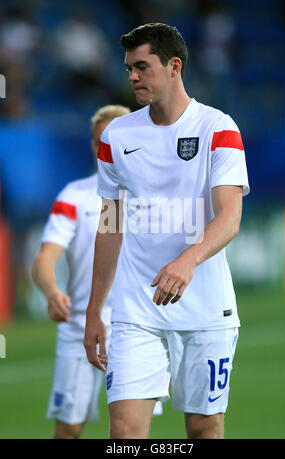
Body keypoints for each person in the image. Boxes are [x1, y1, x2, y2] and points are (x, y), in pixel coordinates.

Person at [84, 23, 249, 439]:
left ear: (174, 66)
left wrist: (186, 261)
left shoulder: (218, 128)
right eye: (128, 68)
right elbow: (110, 225)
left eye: (142, 66)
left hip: (206, 310)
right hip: (136, 311)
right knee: (124, 433)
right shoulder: (116, 136)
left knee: (204, 429)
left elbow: (229, 217)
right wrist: (94, 310)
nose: (132, 76)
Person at [32, 104, 162, 439]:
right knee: (69, 429)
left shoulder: (153, 195)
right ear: (92, 145)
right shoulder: (74, 196)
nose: (105, 145)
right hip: (80, 327)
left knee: (130, 429)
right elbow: (44, 258)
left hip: (138, 325)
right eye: (98, 140)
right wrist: (51, 292)